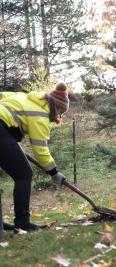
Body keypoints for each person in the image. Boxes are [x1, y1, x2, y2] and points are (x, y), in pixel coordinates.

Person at [0, 83, 69, 232]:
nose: (59, 116)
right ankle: (22, 222)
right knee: (24, 175)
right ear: (56, 107)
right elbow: (40, 149)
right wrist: (54, 173)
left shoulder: (27, 98)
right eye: (61, 112)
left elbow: (3, 96)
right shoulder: (41, 114)